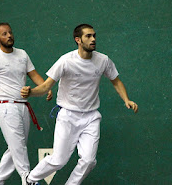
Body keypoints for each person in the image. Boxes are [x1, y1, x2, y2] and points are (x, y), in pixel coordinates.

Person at [20, 24, 138, 185]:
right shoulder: (66, 61)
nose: (93, 39)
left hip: (91, 117)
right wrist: (31, 92)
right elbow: (47, 86)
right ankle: (30, 179)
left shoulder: (103, 60)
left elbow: (116, 81)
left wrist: (126, 99)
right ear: (78, 40)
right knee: (59, 160)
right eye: (88, 36)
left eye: (94, 36)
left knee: (89, 161)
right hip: (68, 115)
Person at [0, 22, 52, 185]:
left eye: (10, 32)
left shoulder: (22, 55)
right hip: (5, 106)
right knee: (18, 145)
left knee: (17, 145)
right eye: (4, 34)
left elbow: (34, 74)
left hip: (23, 106)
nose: (9, 36)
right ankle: (27, 178)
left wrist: (45, 87)